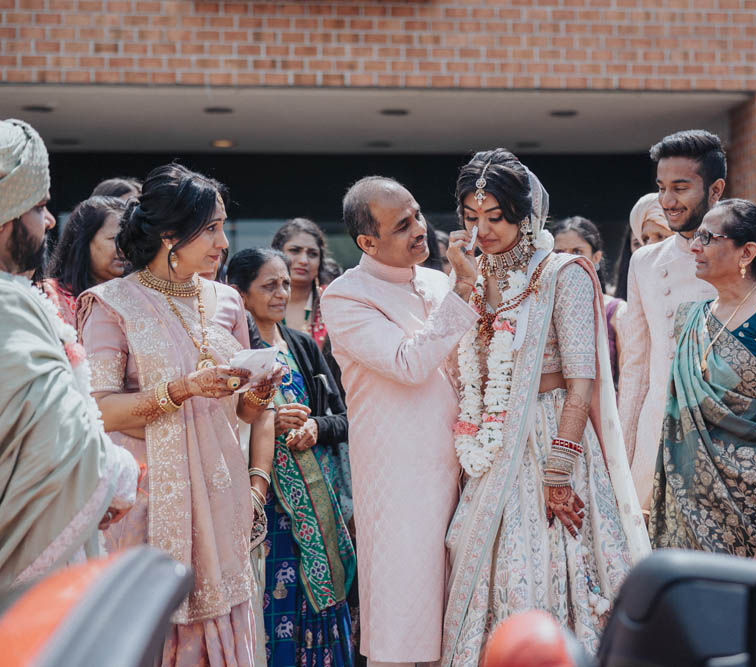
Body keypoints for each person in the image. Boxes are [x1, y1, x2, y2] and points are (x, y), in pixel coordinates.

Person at [442, 149, 648, 666]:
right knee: (493, 571)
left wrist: (560, 467)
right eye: (472, 218)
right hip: (492, 445)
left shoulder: (563, 273)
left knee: (544, 572)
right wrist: (464, 284)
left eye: (496, 217)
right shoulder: (470, 275)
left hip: (554, 438)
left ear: (525, 214)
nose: (483, 230)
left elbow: (583, 383)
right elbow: (464, 367)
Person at [78, 163, 280, 665]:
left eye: (221, 227)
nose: (222, 242)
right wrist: (181, 390)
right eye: (210, 229)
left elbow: (241, 410)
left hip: (220, 499)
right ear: (171, 234)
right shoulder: (111, 305)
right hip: (148, 505)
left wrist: (258, 394)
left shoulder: (228, 301)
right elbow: (98, 411)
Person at [321, 175, 481, 667]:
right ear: (368, 242)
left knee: (456, 615)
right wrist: (467, 289)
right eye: (402, 225)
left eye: (417, 215)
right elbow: (408, 365)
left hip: (465, 465)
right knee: (401, 620)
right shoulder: (346, 296)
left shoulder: (439, 281)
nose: (420, 230)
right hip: (400, 479)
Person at [0, 118, 138, 587]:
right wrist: (121, 475)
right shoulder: (11, 304)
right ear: (7, 219)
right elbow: (61, 445)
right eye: (39, 207)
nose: (49, 220)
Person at [647, 199, 756, 564]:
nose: (694, 246)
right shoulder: (692, 317)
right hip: (687, 507)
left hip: (753, 512)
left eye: (707, 237)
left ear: (746, 252)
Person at [229, 248, 356, 667]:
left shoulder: (302, 346)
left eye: (285, 283)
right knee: (270, 602)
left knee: (314, 602)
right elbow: (223, 424)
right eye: (269, 285)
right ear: (240, 295)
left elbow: (344, 416)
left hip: (314, 500)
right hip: (265, 507)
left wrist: (315, 427)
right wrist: (263, 420)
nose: (282, 292)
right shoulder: (236, 353)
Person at [617, 131, 728, 511]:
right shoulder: (645, 262)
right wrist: (623, 455)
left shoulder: (745, 253)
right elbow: (635, 367)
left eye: (680, 188)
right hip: (658, 432)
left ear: (715, 190)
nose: (667, 201)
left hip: (729, 435)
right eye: (661, 188)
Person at [552, 215, 627, 388]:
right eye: (559, 252)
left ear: (596, 257)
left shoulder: (615, 311)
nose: (567, 260)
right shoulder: (541, 308)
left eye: (577, 252)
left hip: (603, 409)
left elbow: (628, 374)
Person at [41, 195, 127, 326]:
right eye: (113, 238)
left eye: (128, 239)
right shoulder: (49, 294)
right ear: (84, 242)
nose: (123, 247)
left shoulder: (138, 296)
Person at [272, 217, 329, 347]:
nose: (304, 260)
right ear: (277, 254)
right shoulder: (258, 300)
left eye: (312, 254)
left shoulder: (333, 300)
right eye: (295, 251)